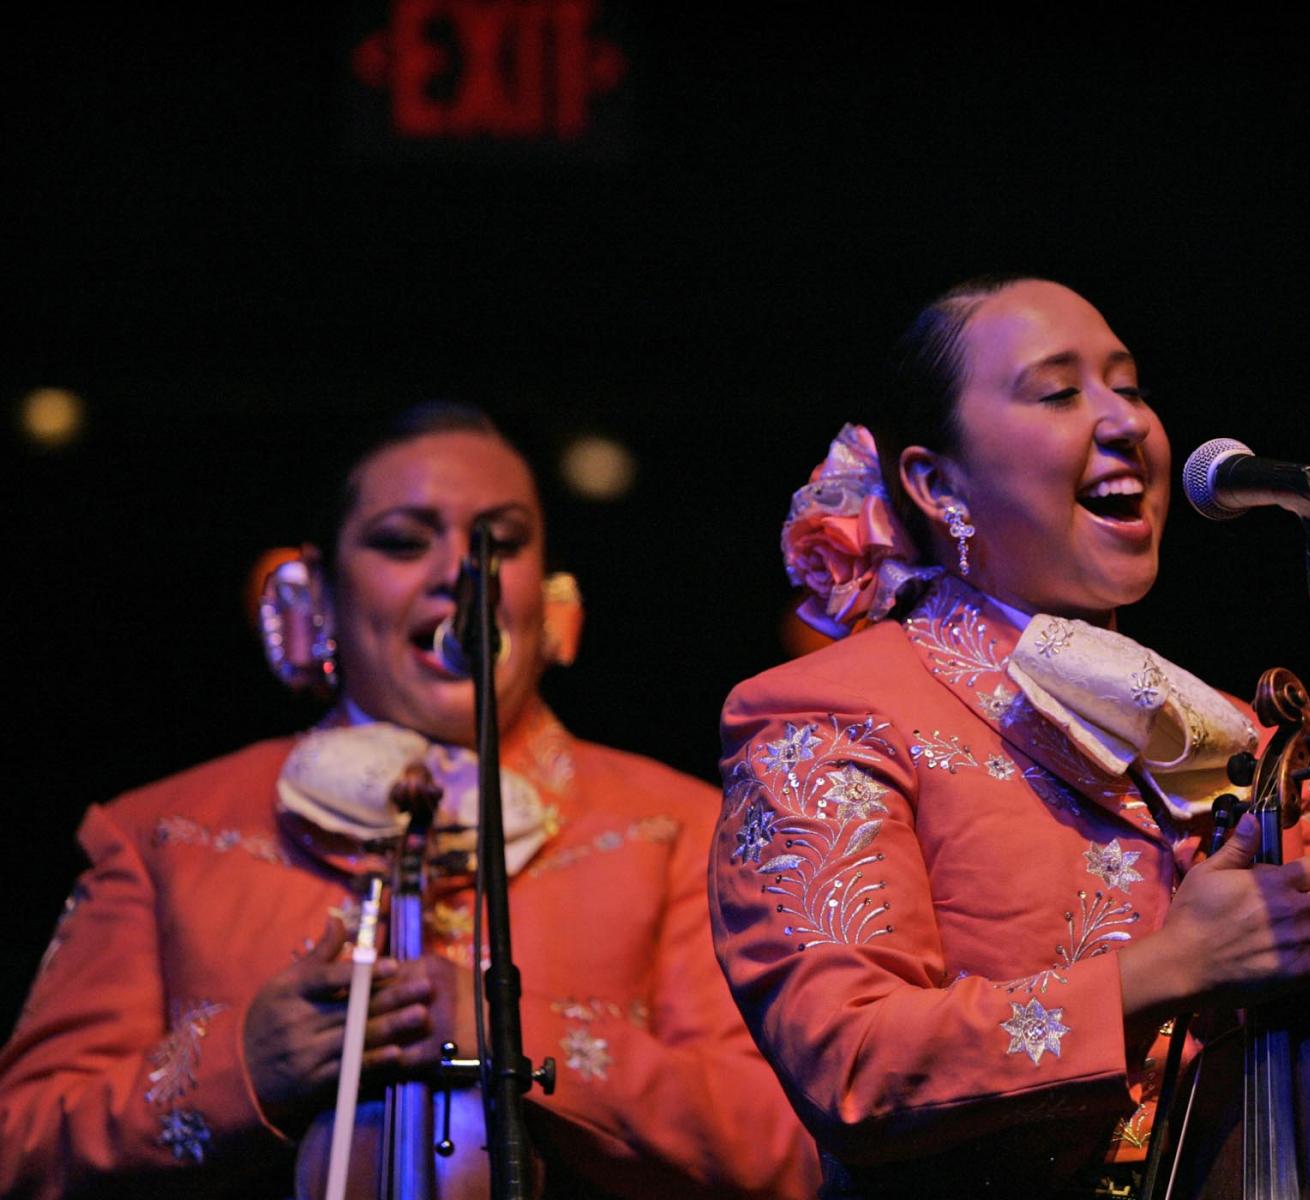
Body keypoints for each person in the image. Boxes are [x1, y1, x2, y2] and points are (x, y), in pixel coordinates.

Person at [0, 404, 819, 1199]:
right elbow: (20, 1147)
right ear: (315, 596)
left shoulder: (675, 829)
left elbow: (791, 1150)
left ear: (550, 600)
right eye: (401, 542)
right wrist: (240, 1066)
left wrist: (514, 1033)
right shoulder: (163, 835)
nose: (458, 576)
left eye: (501, 542)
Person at [709, 277, 1310, 1196]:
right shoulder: (826, 714)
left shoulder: (1240, 732)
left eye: (1131, 386)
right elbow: (852, 1061)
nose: (1126, 424)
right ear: (934, 480)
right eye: (1061, 392)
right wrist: (1170, 969)